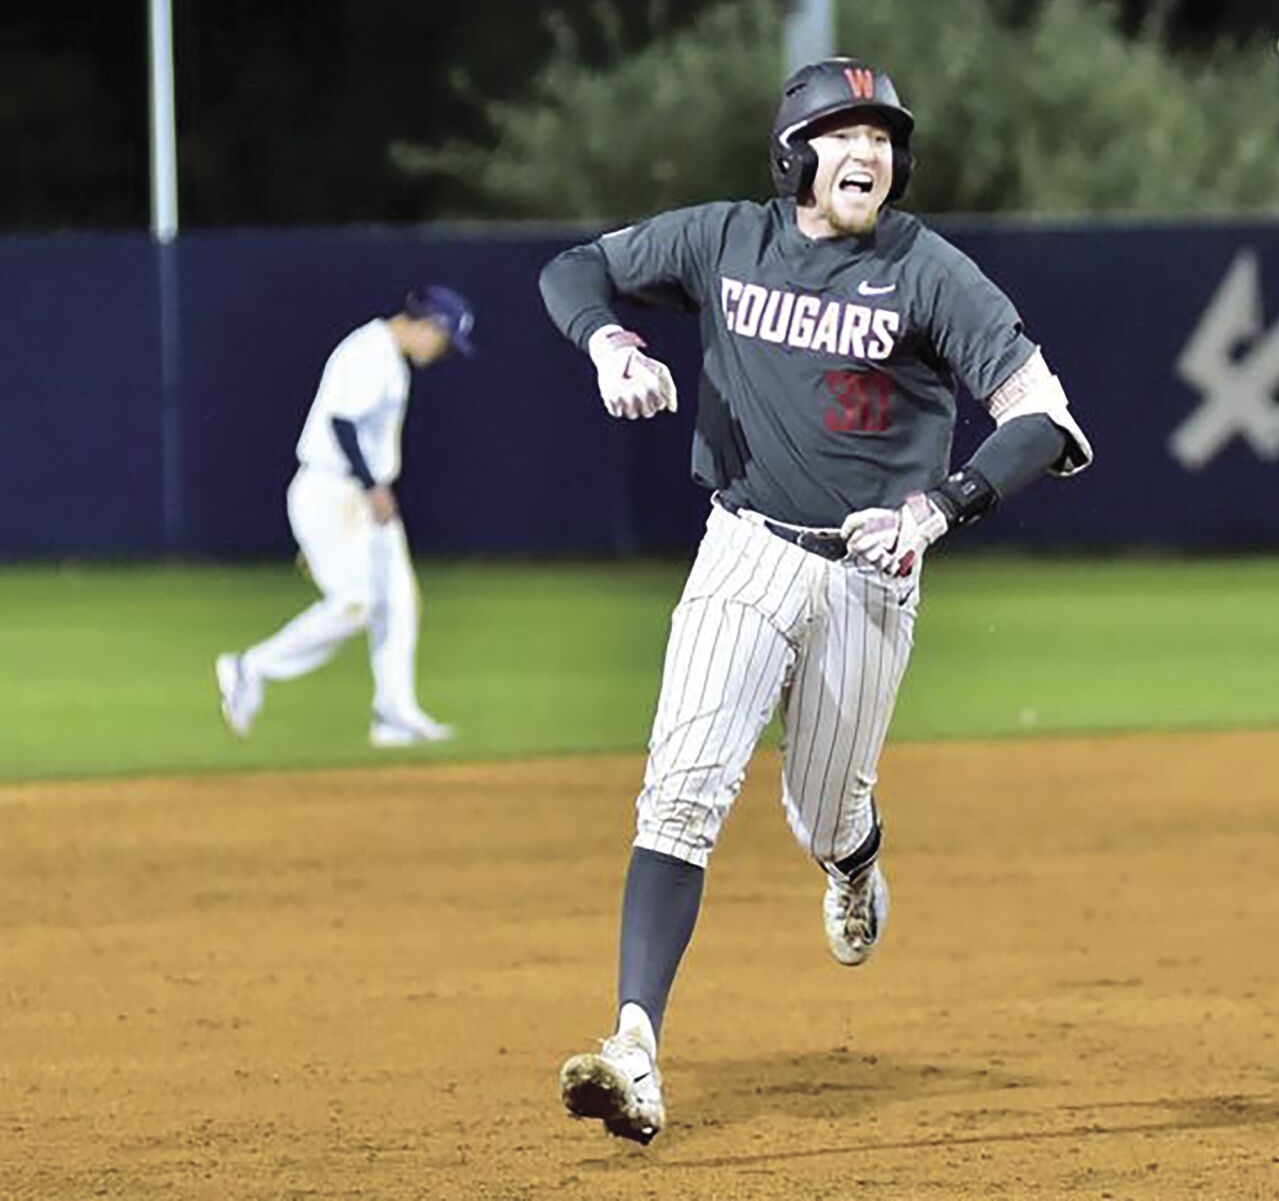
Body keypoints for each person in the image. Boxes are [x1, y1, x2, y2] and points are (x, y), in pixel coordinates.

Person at [537, 57, 1092, 1145]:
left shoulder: (929, 271)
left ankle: (853, 861)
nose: (868, 152)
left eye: (882, 137)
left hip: (871, 576)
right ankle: (634, 1048)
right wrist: (606, 343)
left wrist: (941, 507)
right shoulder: (723, 240)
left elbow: (1047, 420)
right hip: (743, 549)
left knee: (822, 808)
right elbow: (574, 268)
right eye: (844, 133)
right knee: (679, 796)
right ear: (795, 155)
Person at [215, 286, 475, 748]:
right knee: (355, 603)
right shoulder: (369, 350)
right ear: (428, 324)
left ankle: (394, 715)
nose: (443, 352)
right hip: (335, 490)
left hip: (362, 492)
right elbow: (342, 422)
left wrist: (373, 487)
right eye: (444, 340)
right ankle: (250, 667)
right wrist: (371, 486)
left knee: (398, 601)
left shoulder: (390, 357)